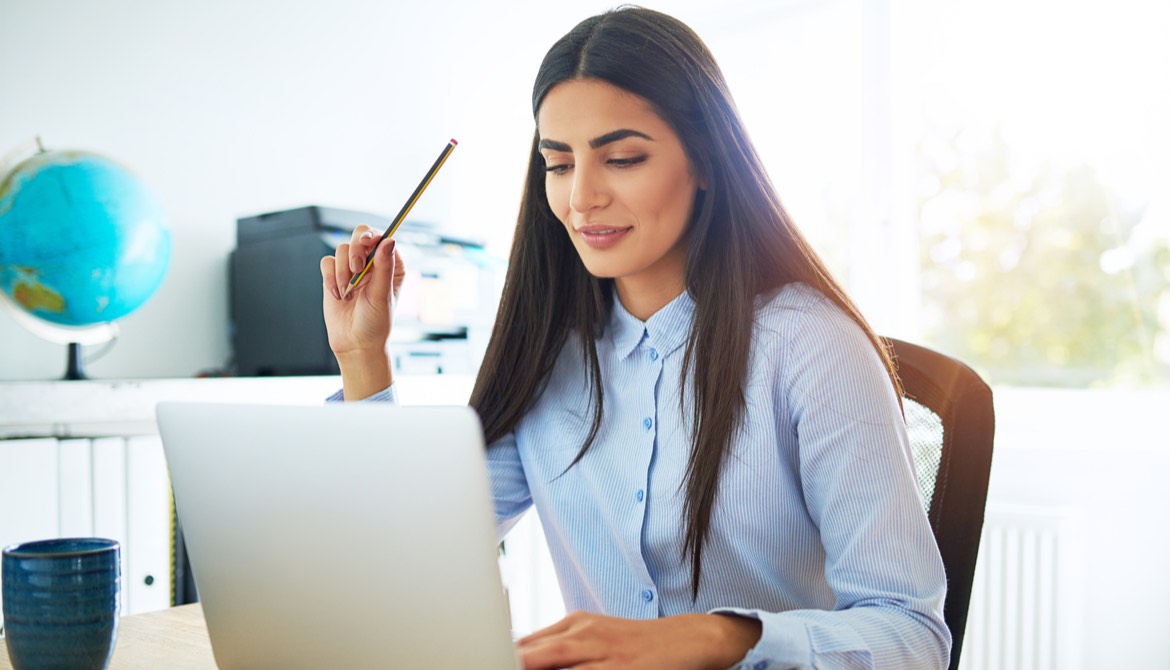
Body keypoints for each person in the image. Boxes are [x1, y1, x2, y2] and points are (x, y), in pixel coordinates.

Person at [320, 7, 950, 669]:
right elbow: (406, 556)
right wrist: (363, 357)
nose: (581, 198)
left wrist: (723, 637)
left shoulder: (812, 349)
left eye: (621, 158)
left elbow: (913, 637)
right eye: (558, 165)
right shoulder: (548, 357)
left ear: (705, 161)